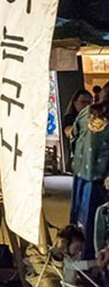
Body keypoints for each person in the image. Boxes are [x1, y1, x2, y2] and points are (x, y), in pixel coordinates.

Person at [70, 83, 109, 259]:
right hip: (102, 179)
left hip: (81, 175)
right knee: (98, 222)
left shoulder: (86, 113)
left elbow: (73, 136)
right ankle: (95, 264)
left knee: (79, 219)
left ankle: (77, 259)